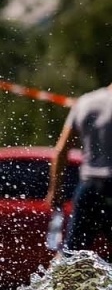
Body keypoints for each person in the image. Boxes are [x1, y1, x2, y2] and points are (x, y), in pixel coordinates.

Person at [47, 81, 112, 258]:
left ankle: (57, 283)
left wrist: (55, 190)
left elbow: (61, 151)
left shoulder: (85, 102)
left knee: (71, 254)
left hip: (90, 187)